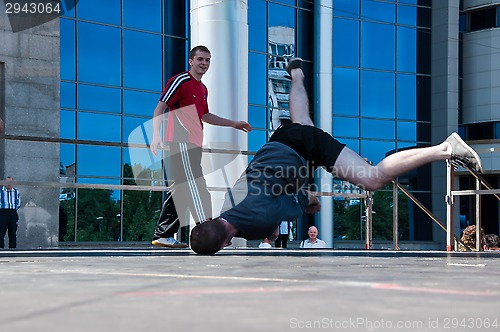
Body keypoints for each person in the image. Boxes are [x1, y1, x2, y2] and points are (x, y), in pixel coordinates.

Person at [190, 58, 483, 255]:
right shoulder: (227, 202)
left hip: (302, 150)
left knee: (372, 178)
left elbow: (305, 202)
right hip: (277, 144)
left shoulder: (254, 223)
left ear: (226, 243)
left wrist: (309, 201)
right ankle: (296, 74)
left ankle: (445, 149)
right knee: (302, 118)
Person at [149, 45, 252, 248]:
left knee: (178, 191)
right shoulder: (181, 81)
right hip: (180, 143)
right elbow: (161, 105)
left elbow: (205, 115)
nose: (204, 63)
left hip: (195, 145)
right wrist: (155, 135)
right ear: (191, 61)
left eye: (207, 60)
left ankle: (163, 234)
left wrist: (233, 123)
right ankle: (209, 231)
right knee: (197, 186)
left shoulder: (202, 89)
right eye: (200, 59)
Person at [0, 177, 21, 248]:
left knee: (12, 233)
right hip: (3, 212)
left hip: (12, 213)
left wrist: (13, 210)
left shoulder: (16, 191)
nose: (9, 184)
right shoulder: (1, 191)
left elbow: (18, 203)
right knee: (1, 233)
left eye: (10, 182)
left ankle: (13, 250)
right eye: (7, 182)